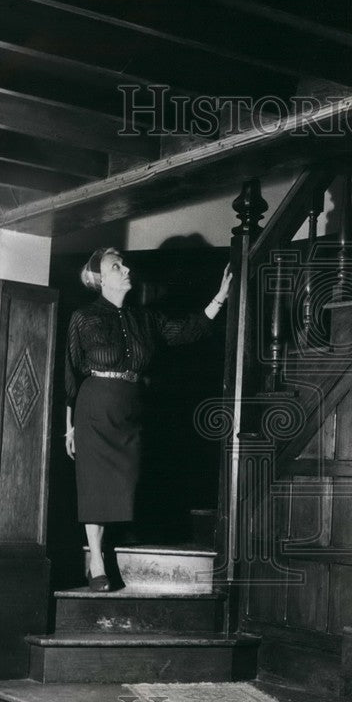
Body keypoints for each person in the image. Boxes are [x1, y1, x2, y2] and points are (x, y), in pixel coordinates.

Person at [64, 247, 232, 590]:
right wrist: (69, 426)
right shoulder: (83, 316)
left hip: (132, 409)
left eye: (124, 264)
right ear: (100, 278)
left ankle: (109, 547)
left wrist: (220, 298)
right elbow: (70, 373)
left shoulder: (146, 318)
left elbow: (186, 331)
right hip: (94, 409)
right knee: (95, 485)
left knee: (127, 481)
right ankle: (96, 561)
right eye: (116, 266)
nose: (126, 269)